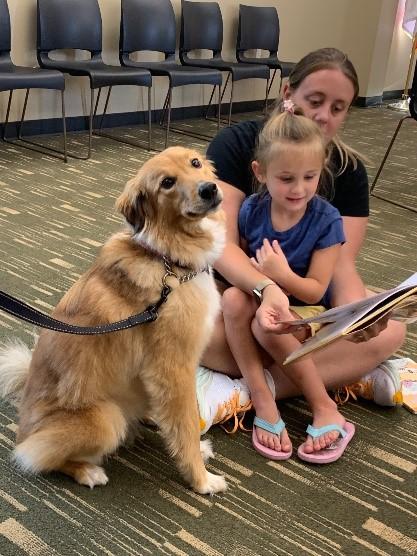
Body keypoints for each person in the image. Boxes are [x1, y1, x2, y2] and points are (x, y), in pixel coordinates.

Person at [197, 47, 406, 457]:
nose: (325, 115)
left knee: (392, 330)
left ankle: (250, 391)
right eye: (315, 101)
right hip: (236, 297)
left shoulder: (348, 171)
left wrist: (356, 318)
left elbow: (340, 267)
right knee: (194, 326)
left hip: (300, 312)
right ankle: (332, 375)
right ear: (289, 93)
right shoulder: (238, 145)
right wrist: (265, 288)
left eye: (339, 107)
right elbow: (220, 246)